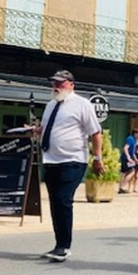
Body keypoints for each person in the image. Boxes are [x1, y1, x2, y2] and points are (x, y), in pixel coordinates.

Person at [38, 70, 104, 262]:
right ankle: (59, 244)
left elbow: (95, 133)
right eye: (54, 83)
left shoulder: (82, 104)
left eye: (60, 83)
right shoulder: (51, 105)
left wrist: (97, 158)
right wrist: (36, 131)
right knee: (55, 203)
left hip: (73, 160)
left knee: (63, 200)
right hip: (51, 160)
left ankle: (64, 246)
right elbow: (47, 128)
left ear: (71, 84)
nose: (56, 86)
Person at [119, 129, 138, 194]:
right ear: (135, 133)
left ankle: (121, 187)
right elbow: (125, 148)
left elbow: (132, 151)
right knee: (132, 171)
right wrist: (128, 157)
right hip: (126, 158)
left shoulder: (134, 140)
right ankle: (123, 186)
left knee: (125, 172)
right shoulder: (130, 139)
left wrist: (135, 158)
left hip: (129, 157)